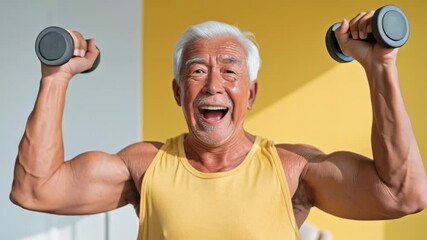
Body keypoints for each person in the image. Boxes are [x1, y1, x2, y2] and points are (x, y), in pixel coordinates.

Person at [10, 9, 427, 240]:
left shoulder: (291, 171)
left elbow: (403, 195)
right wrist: (56, 78)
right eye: (197, 72)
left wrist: (380, 66)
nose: (213, 85)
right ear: (178, 93)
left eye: (230, 71)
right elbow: (35, 190)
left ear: (251, 94)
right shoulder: (145, 166)